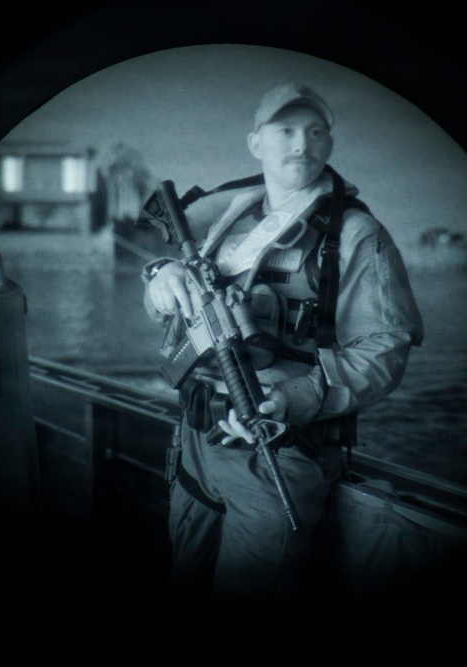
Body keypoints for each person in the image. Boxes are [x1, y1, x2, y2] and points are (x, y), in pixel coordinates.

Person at [141, 82, 424, 606]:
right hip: (195, 446)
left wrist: (296, 398)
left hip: (277, 452)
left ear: (329, 144)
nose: (303, 143)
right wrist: (159, 277)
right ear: (256, 144)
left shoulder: (359, 235)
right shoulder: (225, 225)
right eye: (287, 130)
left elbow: (386, 348)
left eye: (317, 131)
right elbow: (176, 309)